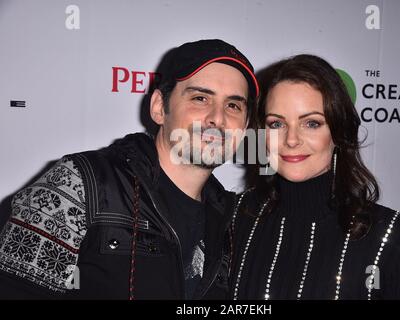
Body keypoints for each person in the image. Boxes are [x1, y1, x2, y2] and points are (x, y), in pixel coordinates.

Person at [0, 39, 259, 299]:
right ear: (159, 107)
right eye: (200, 98)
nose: (218, 117)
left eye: (233, 105)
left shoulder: (234, 218)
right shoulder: (81, 182)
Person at [230, 54, 400, 300]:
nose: (291, 140)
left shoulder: (388, 236)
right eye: (277, 124)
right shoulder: (236, 217)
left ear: (338, 132)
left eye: (312, 123)